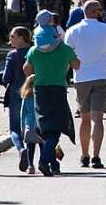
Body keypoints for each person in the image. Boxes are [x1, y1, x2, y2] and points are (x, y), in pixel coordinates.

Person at [63, 0, 106, 169]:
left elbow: (66, 54)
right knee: (98, 119)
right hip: (102, 77)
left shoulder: (73, 30)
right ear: (95, 12)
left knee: (85, 119)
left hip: (82, 78)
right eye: (100, 10)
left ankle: (84, 155)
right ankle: (96, 157)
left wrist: (65, 73)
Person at [23, 23, 80, 176]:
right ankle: (44, 161)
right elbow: (77, 65)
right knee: (55, 129)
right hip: (58, 91)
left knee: (45, 128)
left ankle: (52, 163)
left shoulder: (33, 51)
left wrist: (38, 69)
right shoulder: (65, 49)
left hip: (40, 92)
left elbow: (26, 69)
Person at [1, 26, 34, 174]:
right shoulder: (35, 51)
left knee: (15, 128)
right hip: (34, 93)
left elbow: (6, 78)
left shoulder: (12, 55)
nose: (10, 40)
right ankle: (35, 161)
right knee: (33, 126)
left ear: (22, 37)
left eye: (13, 37)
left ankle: (21, 150)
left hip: (16, 94)